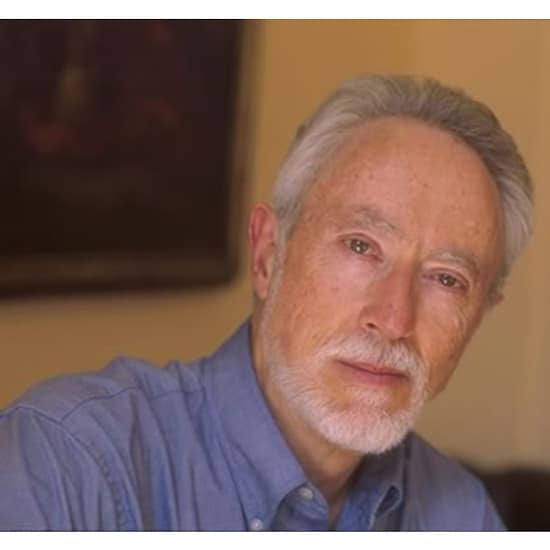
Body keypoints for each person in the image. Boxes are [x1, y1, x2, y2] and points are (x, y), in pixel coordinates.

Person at [0, 74, 533, 531]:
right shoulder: (69, 463)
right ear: (267, 254)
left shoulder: (462, 517)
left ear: (478, 318)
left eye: (447, 279)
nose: (394, 319)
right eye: (360, 246)